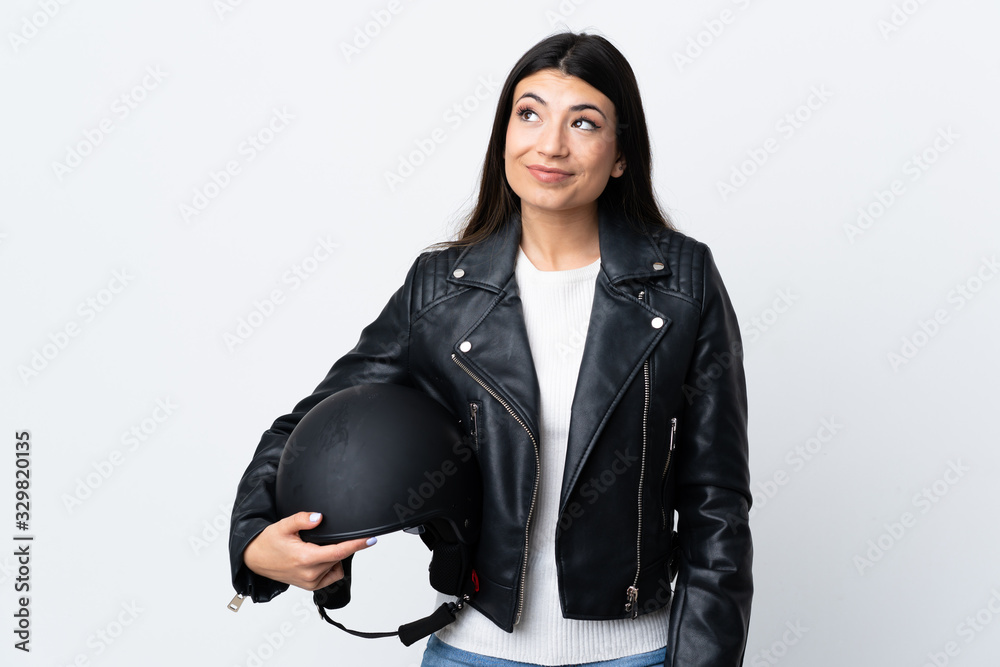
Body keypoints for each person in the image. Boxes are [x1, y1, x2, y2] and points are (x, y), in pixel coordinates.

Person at [229, 30, 752, 667]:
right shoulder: (440, 290)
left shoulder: (684, 283)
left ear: (620, 155)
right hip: (473, 653)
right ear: (504, 135)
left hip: (636, 653)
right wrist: (253, 538)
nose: (550, 144)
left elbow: (716, 503)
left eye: (583, 122)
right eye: (529, 114)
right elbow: (312, 424)